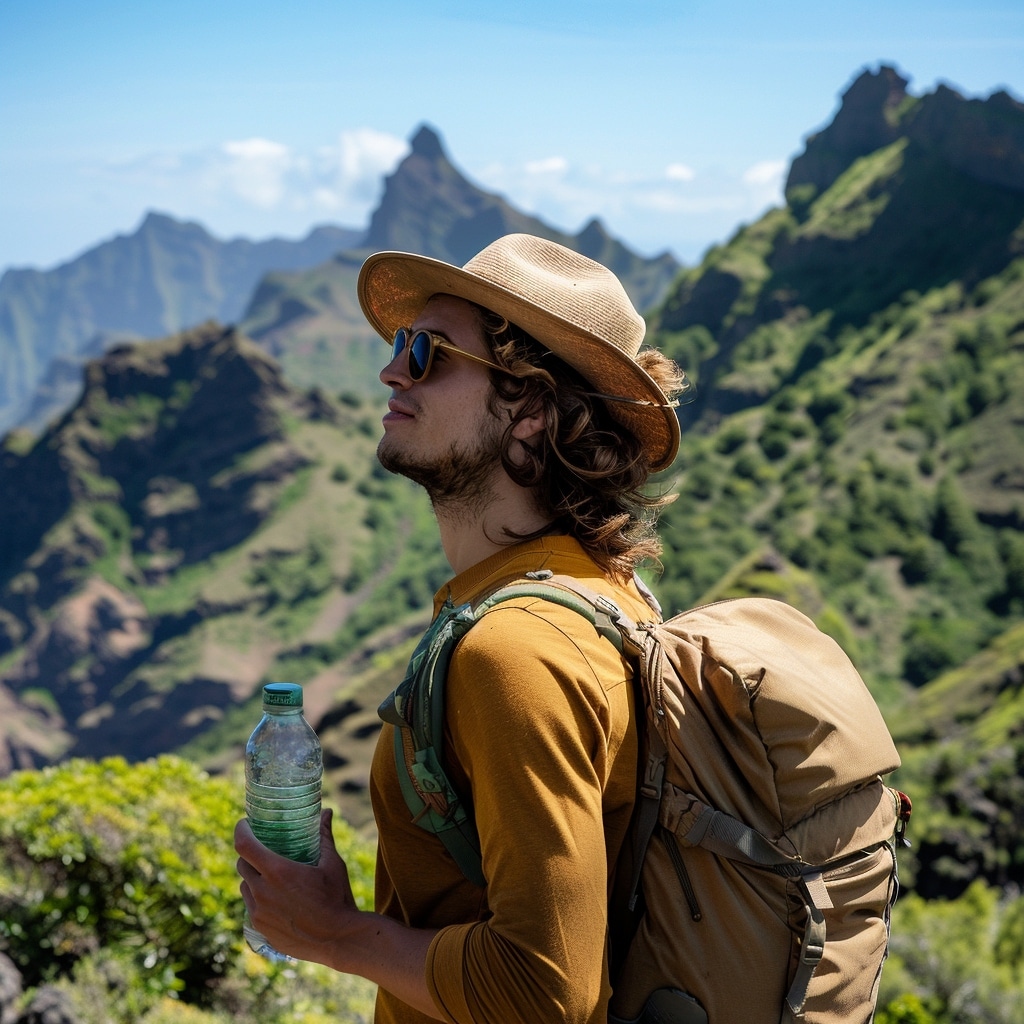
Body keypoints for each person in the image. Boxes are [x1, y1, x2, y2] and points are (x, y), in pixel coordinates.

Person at [235, 233, 692, 1023]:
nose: (391, 369)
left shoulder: (514, 653)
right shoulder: (613, 597)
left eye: (427, 352)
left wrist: (335, 934)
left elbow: (548, 993)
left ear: (531, 413)